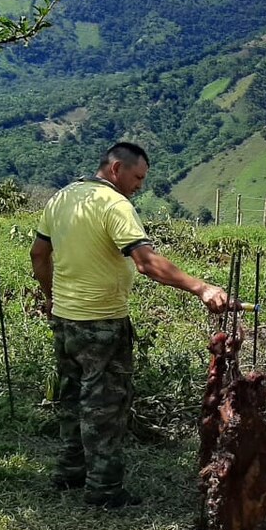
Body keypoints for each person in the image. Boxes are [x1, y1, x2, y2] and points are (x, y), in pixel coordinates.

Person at [30, 142, 228, 508]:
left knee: (72, 398)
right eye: (137, 177)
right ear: (117, 168)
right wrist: (202, 287)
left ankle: (70, 471)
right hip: (102, 321)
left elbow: (39, 254)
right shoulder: (115, 205)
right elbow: (147, 263)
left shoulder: (63, 197)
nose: (140, 186)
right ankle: (104, 491)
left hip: (66, 320)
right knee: (104, 406)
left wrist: (51, 297)